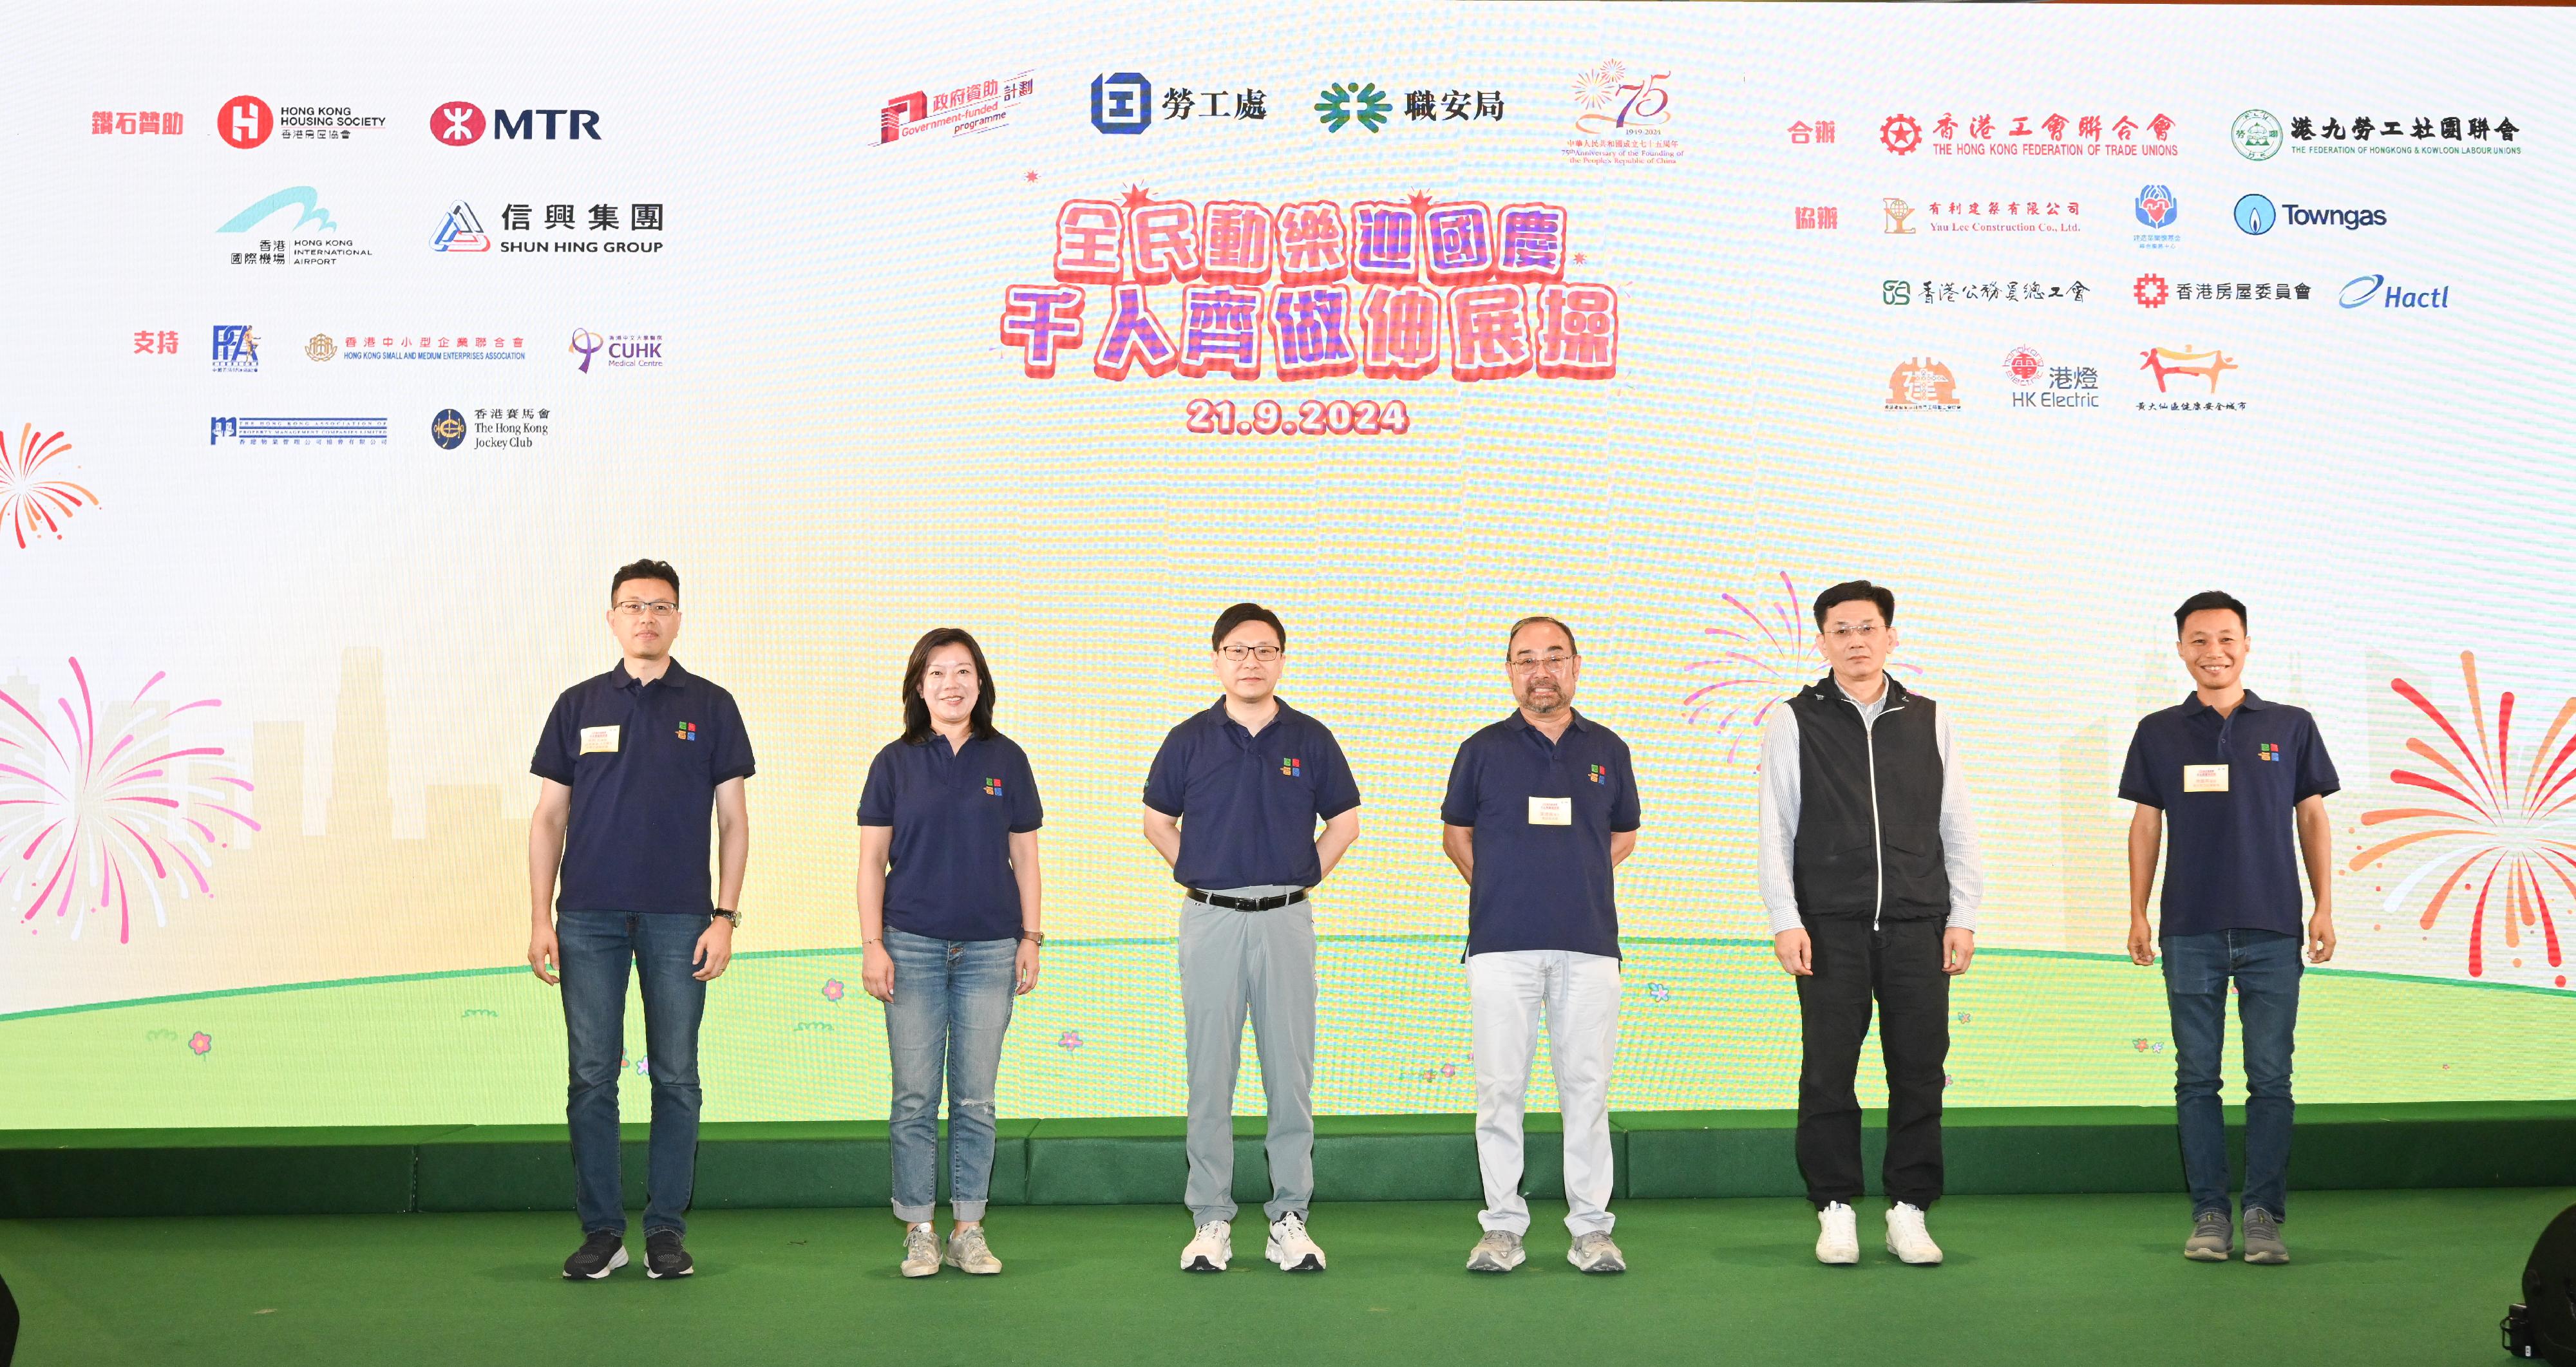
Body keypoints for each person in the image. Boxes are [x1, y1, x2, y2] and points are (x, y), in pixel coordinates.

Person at [527, 559, 754, 1280]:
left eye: (660, 605)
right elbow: (548, 817)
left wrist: (725, 916)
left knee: (677, 1076)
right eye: (632, 605)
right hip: (587, 917)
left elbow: (734, 822)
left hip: (680, 917)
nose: (646, 617)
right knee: (592, 1076)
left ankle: (664, 1230)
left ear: (678, 617)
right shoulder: (577, 703)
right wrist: (540, 917)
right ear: (612, 618)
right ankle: (602, 1231)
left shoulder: (712, 706)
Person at [1757, 579, 1980, 1267]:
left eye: (1867, 628)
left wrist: (1962, 914)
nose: (1855, 641)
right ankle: (1835, 1208)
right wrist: (1785, 917)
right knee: (1828, 1070)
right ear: (1821, 640)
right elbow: (1777, 825)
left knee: (1919, 1068)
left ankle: (1909, 1209)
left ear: (1890, 636)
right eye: (1841, 630)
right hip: (1828, 925)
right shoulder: (1795, 718)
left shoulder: (1928, 717)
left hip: (1918, 920)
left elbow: (1956, 821)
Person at [1143, 603, 1360, 1273]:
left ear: (1281, 659)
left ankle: (1288, 1216)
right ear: (1217, 658)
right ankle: (1211, 1217)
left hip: (1287, 919)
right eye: (1237, 650)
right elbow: (1156, 819)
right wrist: (1206, 873)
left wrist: (1296, 880)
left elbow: (1345, 820)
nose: (1251, 662)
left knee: (1289, 1074)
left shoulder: (1310, 737)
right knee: (1210, 1073)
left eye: (1264, 650)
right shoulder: (1188, 739)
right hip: (1210, 918)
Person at [2122, 591, 2337, 1265]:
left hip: (2273, 927)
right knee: (2194, 1077)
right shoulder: (2157, 730)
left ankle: (2264, 1213)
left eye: (2225, 638)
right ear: (2180, 649)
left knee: (2270, 1076)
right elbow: (2146, 822)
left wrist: (2323, 905)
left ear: (2246, 644)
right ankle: (2210, 1213)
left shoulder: (2290, 724)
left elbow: (2311, 817)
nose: (2213, 651)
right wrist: (2136, 910)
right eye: (2198, 640)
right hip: (2188, 928)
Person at [1441, 616, 1639, 1276]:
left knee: (1586, 1086)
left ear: (1576, 666)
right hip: (1500, 946)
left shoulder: (1607, 748)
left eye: (1554, 656)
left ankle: (1591, 1230)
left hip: (1588, 946)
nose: (1541, 670)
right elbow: (1456, 837)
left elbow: (1621, 837)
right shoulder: (1480, 749)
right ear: (1509, 671)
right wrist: (1503, 887)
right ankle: (1501, 1227)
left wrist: (1570, 884)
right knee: (1500, 1087)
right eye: (1526, 658)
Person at [858, 628, 1045, 1277]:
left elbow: (1025, 855)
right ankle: (918, 1229)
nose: (952, 683)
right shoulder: (893, 761)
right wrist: (873, 944)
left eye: (963, 671)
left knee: (974, 1097)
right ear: (919, 685)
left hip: (992, 947)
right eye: (937, 672)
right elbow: (870, 862)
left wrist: (1031, 935)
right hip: (908, 944)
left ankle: (968, 1227)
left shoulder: (1007, 758)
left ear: (980, 681)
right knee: (913, 1095)